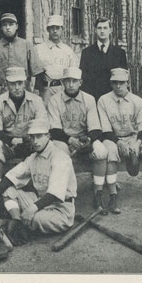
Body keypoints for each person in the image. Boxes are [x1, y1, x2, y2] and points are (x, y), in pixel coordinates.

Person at [0, 119, 77, 245]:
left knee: (36, 218)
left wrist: (31, 210)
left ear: (48, 136)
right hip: (39, 201)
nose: (35, 141)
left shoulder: (60, 157)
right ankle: (17, 222)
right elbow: (11, 176)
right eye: (32, 137)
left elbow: (54, 194)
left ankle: (19, 224)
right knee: (8, 191)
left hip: (61, 209)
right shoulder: (33, 157)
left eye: (39, 136)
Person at [97, 68, 142, 214]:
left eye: (122, 82)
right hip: (113, 139)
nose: (118, 86)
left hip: (134, 138)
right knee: (110, 152)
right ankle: (113, 196)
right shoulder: (103, 100)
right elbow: (105, 130)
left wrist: (137, 143)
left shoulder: (137, 101)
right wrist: (118, 143)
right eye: (115, 82)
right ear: (111, 83)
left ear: (127, 83)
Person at [47, 67, 109, 212]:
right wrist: (69, 140)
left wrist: (88, 139)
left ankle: (98, 193)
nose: (70, 84)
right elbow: (54, 130)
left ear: (80, 82)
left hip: (83, 138)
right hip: (63, 140)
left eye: (74, 81)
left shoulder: (89, 99)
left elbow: (95, 128)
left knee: (101, 151)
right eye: (67, 81)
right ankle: (66, 196)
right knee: (61, 156)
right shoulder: (55, 100)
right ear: (62, 82)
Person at [0, 67, 47, 193]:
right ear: (6, 85)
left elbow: (41, 128)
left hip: (31, 143)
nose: (17, 87)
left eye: (20, 83)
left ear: (25, 83)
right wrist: (13, 141)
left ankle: (40, 190)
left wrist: (26, 141)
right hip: (8, 144)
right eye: (13, 84)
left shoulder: (36, 101)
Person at [0, 13, 45, 98]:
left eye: (11, 24)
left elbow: (38, 70)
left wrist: (36, 90)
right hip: (1, 91)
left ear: (16, 26)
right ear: (1, 28)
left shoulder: (26, 45)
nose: (8, 28)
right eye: (5, 25)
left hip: (23, 90)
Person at [79, 17, 128, 102]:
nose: (102, 31)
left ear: (110, 30)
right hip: (93, 99)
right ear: (95, 30)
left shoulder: (119, 53)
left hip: (114, 99)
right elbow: (84, 79)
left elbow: (124, 80)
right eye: (99, 28)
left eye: (105, 28)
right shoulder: (87, 53)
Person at [35, 15, 78, 104]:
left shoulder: (68, 51)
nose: (55, 31)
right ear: (47, 29)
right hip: (45, 89)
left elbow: (73, 73)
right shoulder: (39, 49)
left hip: (63, 90)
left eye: (57, 28)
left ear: (62, 29)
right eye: (52, 28)